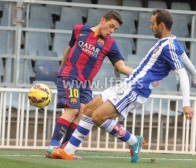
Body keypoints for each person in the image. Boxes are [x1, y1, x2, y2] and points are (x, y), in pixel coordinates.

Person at [48, 9, 196, 163]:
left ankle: (132, 141)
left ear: (161, 26)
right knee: (88, 110)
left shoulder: (168, 46)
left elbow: (182, 73)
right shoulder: (170, 42)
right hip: (128, 84)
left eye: (152, 24)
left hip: (137, 88)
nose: (150, 26)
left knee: (98, 116)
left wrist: (186, 104)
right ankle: (67, 151)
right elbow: (185, 59)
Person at [46, 10, 135, 158]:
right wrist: (61, 71)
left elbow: (121, 67)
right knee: (73, 109)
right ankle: (52, 147)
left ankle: (64, 149)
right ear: (103, 20)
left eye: (115, 29)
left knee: (84, 112)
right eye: (111, 26)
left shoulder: (110, 43)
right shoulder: (79, 30)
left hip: (85, 84)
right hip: (70, 76)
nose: (111, 31)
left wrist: (142, 75)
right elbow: (69, 50)